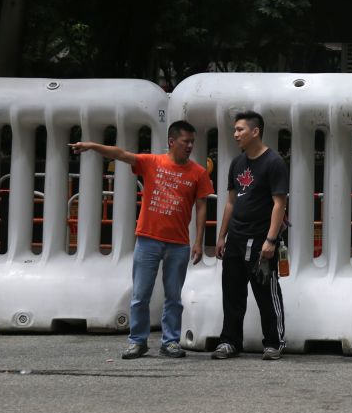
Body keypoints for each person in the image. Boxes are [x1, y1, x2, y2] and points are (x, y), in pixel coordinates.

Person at [70, 121, 213, 360]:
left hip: (178, 243)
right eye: (185, 141)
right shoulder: (152, 162)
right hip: (148, 239)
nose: (189, 146)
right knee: (140, 294)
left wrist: (199, 241)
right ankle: (137, 341)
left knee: (174, 296)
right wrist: (92, 146)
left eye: (192, 142)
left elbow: (201, 208)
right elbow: (121, 154)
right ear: (171, 142)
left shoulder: (198, 172)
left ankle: (170, 342)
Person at [211, 110, 289, 361]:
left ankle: (274, 343)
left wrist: (270, 240)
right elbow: (231, 202)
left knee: (266, 293)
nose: (235, 134)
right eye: (235, 130)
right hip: (235, 238)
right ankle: (229, 341)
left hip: (260, 239)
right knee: (232, 293)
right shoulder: (237, 163)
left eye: (240, 129)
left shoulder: (274, 162)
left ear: (255, 131)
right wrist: (221, 236)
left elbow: (279, 204)